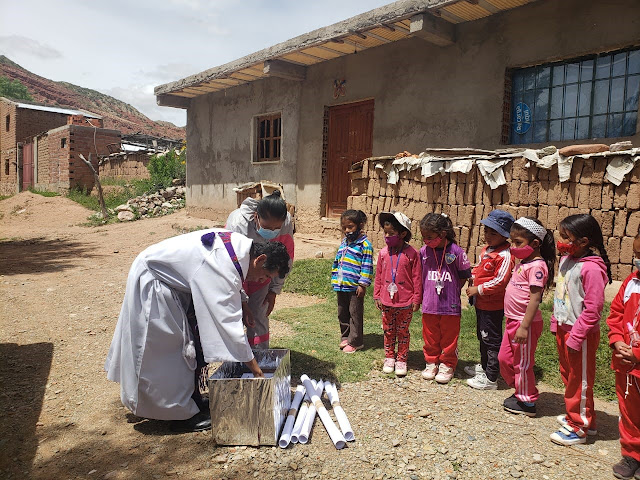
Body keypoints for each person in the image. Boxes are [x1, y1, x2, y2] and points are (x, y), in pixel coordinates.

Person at [104, 229, 290, 432]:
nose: (261, 281)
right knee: (172, 350)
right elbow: (229, 326)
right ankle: (178, 414)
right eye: (264, 275)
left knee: (186, 343)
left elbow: (232, 278)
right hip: (156, 282)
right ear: (260, 258)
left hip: (169, 283)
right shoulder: (221, 261)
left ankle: (188, 399)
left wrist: (244, 303)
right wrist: (257, 371)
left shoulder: (240, 247)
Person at [549, 214, 611, 446]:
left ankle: (579, 426)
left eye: (566, 237)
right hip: (565, 328)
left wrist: (576, 335)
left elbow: (593, 309)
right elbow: (561, 294)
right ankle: (586, 419)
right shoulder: (567, 260)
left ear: (583, 241)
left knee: (580, 380)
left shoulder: (592, 269)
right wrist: (556, 322)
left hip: (580, 333)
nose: (561, 241)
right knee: (569, 376)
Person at [498, 217, 555, 417]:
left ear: (535, 243)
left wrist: (524, 326)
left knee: (522, 363)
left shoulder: (537, 267)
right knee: (504, 359)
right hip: (512, 320)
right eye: (512, 242)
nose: (513, 247)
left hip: (525, 324)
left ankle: (527, 402)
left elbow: (535, 299)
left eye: (518, 243)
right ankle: (519, 390)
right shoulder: (523, 263)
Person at [226, 190, 294, 349]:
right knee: (233, 314)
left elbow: (285, 258)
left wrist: (274, 290)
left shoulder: (285, 222)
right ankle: (235, 359)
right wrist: (242, 301)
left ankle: (260, 358)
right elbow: (232, 268)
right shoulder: (237, 224)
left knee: (259, 315)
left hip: (263, 275)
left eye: (276, 228)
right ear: (256, 216)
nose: (271, 232)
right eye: (267, 227)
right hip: (237, 274)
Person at [465, 209, 515, 390]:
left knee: (491, 339)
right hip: (482, 303)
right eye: (486, 231)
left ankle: (491, 377)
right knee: (482, 336)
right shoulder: (487, 250)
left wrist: (478, 289)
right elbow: (480, 268)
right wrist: (471, 275)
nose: (487, 235)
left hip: (493, 305)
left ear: (504, 234)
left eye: (493, 233)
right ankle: (485, 367)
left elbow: (500, 281)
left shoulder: (505, 255)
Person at [419, 213, 472, 384]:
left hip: (450, 304)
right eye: (423, 237)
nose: (426, 240)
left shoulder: (456, 252)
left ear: (442, 234)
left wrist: (454, 289)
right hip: (429, 303)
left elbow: (464, 275)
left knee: (449, 337)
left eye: (429, 237)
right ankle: (431, 361)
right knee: (430, 336)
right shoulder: (424, 252)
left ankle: (447, 364)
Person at [606, 227, 640, 480]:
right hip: (626, 365)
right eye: (637, 254)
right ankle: (631, 454)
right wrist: (617, 340)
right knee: (629, 411)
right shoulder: (631, 282)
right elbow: (616, 313)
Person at [374, 211, 422, 376]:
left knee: (402, 331)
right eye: (385, 233)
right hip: (387, 301)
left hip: (405, 302)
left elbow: (417, 278)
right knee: (388, 330)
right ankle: (389, 357)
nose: (387, 236)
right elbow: (379, 276)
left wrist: (416, 299)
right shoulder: (383, 254)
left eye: (391, 233)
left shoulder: (412, 254)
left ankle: (401, 359)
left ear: (403, 234)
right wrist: (377, 295)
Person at [331, 209, 373, 353]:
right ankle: (346, 336)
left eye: (350, 227)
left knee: (355, 313)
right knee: (342, 312)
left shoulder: (365, 245)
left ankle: (356, 341)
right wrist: (335, 278)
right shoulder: (344, 242)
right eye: (344, 228)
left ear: (360, 225)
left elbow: (367, 266)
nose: (347, 230)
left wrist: (362, 284)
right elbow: (337, 261)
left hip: (355, 287)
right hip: (342, 285)